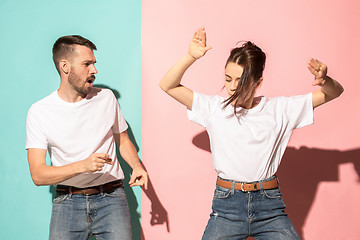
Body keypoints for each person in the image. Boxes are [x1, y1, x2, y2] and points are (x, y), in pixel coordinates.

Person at [159, 27, 344, 239]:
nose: (232, 87)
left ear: (258, 83)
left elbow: (334, 92)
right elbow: (168, 85)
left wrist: (325, 80)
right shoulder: (214, 108)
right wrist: (191, 57)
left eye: (241, 81)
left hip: (270, 207)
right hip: (227, 206)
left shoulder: (279, 110)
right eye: (228, 79)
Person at [26, 35, 148, 240]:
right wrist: (83, 165)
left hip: (112, 199)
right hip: (67, 202)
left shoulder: (106, 98)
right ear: (65, 66)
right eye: (87, 64)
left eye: (94, 63)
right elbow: (38, 175)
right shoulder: (39, 111)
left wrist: (137, 166)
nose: (94, 70)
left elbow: (123, 141)